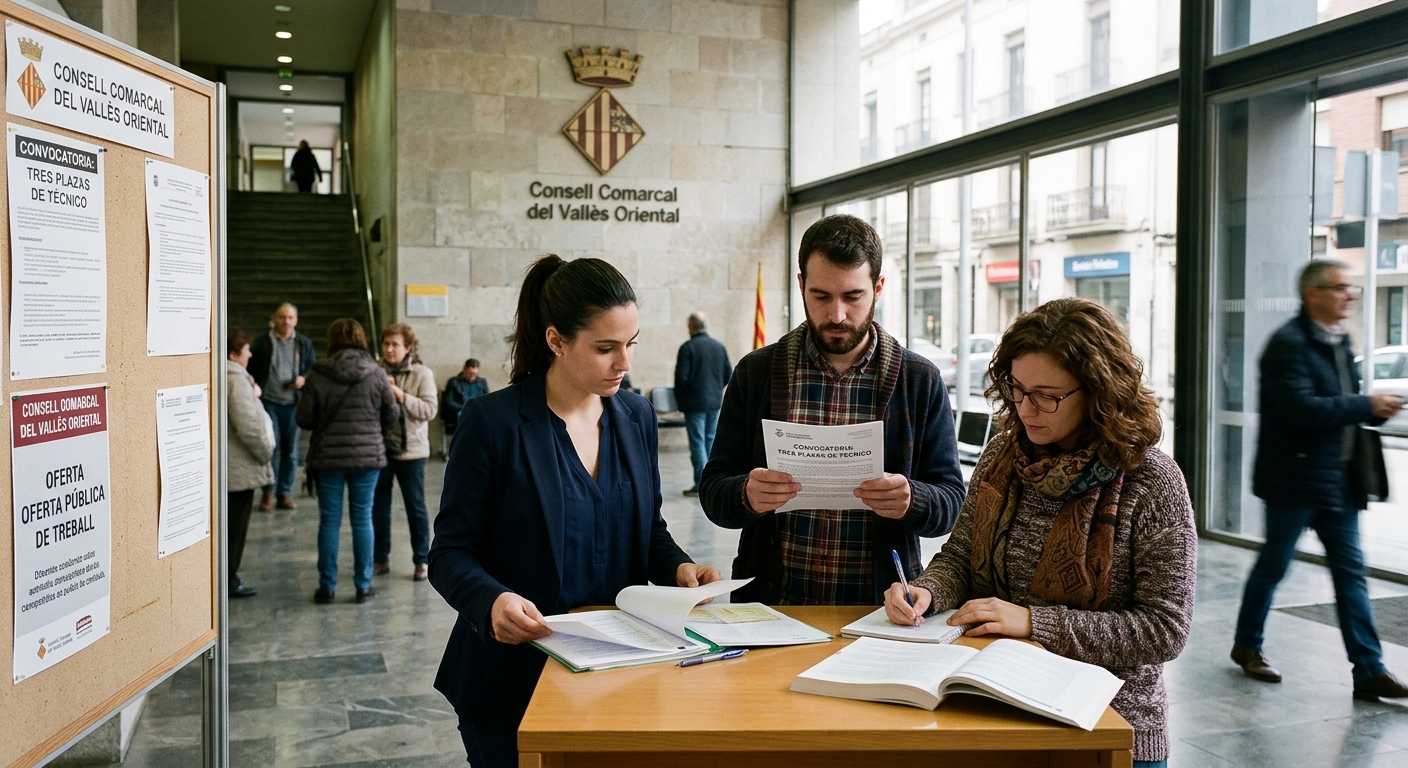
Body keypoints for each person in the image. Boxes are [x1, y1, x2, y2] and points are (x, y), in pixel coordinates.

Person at [429, 255, 722, 768]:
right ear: (556, 341)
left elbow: (648, 528)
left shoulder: (635, 416)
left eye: (631, 344)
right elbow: (450, 553)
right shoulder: (492, 423)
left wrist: (679, 567)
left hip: (618, 672)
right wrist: (492, 600)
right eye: (605, 348)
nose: (624, 364)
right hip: (512, 681)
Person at [884, 298, 1197, 768]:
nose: (1026, 409)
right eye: (1017, 388)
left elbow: (1164, 629)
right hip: (998, 706)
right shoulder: (1001, 458)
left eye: (1047, 395)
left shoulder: (1149, 480)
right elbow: (962, 555)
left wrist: (1035, 622)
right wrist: (926, 590)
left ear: (1098, 391)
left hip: (1108, 724)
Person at [700, 214, 965, 606]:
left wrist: (914, 499)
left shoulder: (919, 380)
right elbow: (713, 490)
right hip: (771, 606)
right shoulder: (756, 373)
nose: (837, 315)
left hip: (880, 611)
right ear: (801, 285)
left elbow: (952, 501)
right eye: (821, 296)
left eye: (853, 297)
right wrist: (747, 494)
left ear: (878, 288)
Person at [1231, 259, 1408, 701]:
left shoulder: (1339, 341)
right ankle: (1247, 645)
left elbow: (1341, 409)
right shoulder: (1288, 344)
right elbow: (1303, 410)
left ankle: (1369, 669)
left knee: (1352, 575)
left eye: (1351, 289)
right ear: (1313, 294)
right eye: (1340, 288)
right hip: (1294, 480)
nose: (1349, 295)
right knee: (1275, 565)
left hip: (1338, 482)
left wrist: (1368, 410)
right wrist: (1366, 405)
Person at [296, 318, 400, 604]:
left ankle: (326, 587)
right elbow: (392, 416)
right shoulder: (376, 373)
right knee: (362, 518)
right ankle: (362, 586)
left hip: (328, 457)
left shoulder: (318, 372)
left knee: (329, 521)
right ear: (361, 339)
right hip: (367, 457)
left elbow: (303, 419)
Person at [374, 323, 439, 581]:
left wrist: (401, 395)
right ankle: (380, 558)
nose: (389, 349)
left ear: (407, 348)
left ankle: (421, 559)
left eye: (395, 345)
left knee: (416, 508)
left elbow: (429, 410)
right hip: (380, 450)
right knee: (379, 507)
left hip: (412, 451)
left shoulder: (421, 373)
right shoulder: (375, 370)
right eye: (386, 344)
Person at [248, 303, 315, 511]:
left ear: (296, 321)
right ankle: (269, 491)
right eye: (282, 317)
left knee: (291, 451)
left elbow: (312, 368)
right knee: (271, 447)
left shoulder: (304, 343)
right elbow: (249, 368)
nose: (286, 321)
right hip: (268, 403)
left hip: (293, 404)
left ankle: (284, 493)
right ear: (274, 319)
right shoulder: (261, 342)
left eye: (290, 318)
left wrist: (303, 379)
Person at [226, 329, 276, 599]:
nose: (251, 354)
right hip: (239, 468)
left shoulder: (238, 378)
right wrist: (266, 451)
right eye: (246, 350)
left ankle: (231, 575)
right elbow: (247, 425)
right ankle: (230, 577)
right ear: (234, 355)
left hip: (237, 467)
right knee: (235, 527)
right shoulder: (235, 379)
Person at [675, 311, 732, 496]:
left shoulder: (687, 347)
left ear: (690, 327)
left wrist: (681, 396)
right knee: (709, 441)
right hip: (714, 403)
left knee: (698, 443)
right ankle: (711, 483)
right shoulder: (718, 347)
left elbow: (681, 378)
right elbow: (728, 374)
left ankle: (701, 484)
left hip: (694, 404)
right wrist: (714, 392)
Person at [440, 358, 489, 441]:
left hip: (477, 411)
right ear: (464, 370)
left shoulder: (481, 382)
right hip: (460, 411)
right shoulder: (454, 382)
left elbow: (487, 399)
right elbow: (448, 402)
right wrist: (465, 407)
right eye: (470, 374)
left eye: (475, 374)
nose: (472, 376)